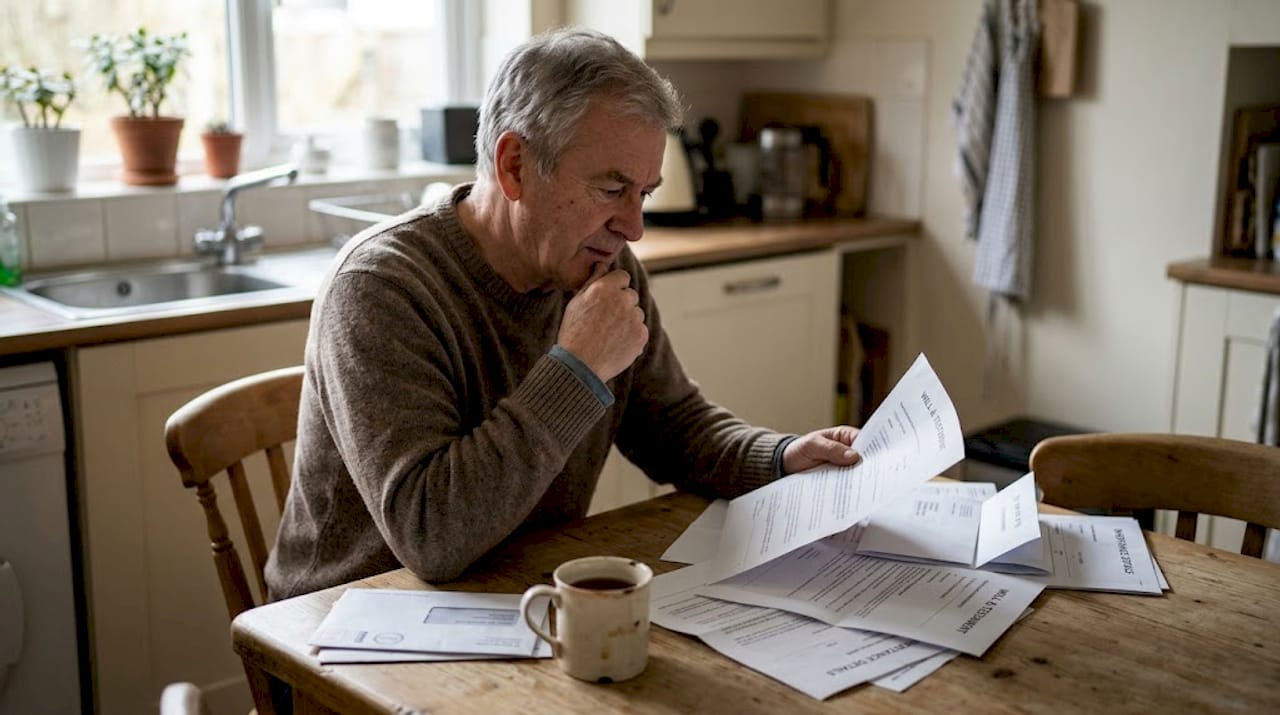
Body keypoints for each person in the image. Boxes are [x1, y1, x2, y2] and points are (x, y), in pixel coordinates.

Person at [265, 27, 860, 601]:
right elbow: (431, 536)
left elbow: (673, 427)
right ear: (515, 166)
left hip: (513, 592)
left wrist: (780, 458)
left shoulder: (604, 263)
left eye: (644, 193)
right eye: (611, 189)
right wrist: (577, 366)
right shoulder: (379, 287)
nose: (634, 227)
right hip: (343, 631)